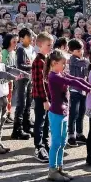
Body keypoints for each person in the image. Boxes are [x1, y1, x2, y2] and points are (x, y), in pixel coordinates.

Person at [45, 50, 91, 182]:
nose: (65, 66)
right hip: (56, 113)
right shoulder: (54, 76)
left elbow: (77, 79)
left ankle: (59, 168)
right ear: (54, 63)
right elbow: (73, 83)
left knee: (63, 142)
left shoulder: (60, 73)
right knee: (56, 143)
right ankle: (52, 170)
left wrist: (90, 86)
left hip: (63, 113)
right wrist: (89, 90)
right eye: (63, 63)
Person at [0, 45, 30, 154]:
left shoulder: (2, 65)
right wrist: (14, 78)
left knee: (2, 121)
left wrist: (26, 75)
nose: (1, 55)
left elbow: (12, 69)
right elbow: (2, 75)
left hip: (3, 97)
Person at [31, 32, 54, 163]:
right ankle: (38, 147)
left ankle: (45, 143)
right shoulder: (38, 61)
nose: (51, 47)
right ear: (40, 45)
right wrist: (45, 99)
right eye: (48, 45)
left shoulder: (46, 59)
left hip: (48, 96)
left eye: (51, 45)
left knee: (46, 122)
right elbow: (39, 82)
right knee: (40, 121)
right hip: (41, 97)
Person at [13, 28, 36, 140]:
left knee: (28, 102)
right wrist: (33, 66)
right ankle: (17, 129)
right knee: (21, 103)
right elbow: (20, 65)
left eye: (31, 36)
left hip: (30, 78)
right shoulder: (20, 49)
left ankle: (26, 125)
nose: (31, 38)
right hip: (22, 78)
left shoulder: (31, 48)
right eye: (29, 36)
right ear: (22, 39)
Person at [67, 39, 89, 147]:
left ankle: (79, 133)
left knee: (81, 113)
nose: (81, 51)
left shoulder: (82, 60)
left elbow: (86, 72)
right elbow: (85, 62)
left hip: (83, 90)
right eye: (79, 50)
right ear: (72, 51)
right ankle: (71, 135)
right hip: (74, 90)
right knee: (73, 113)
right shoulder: (73, 59)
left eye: (82, 49)